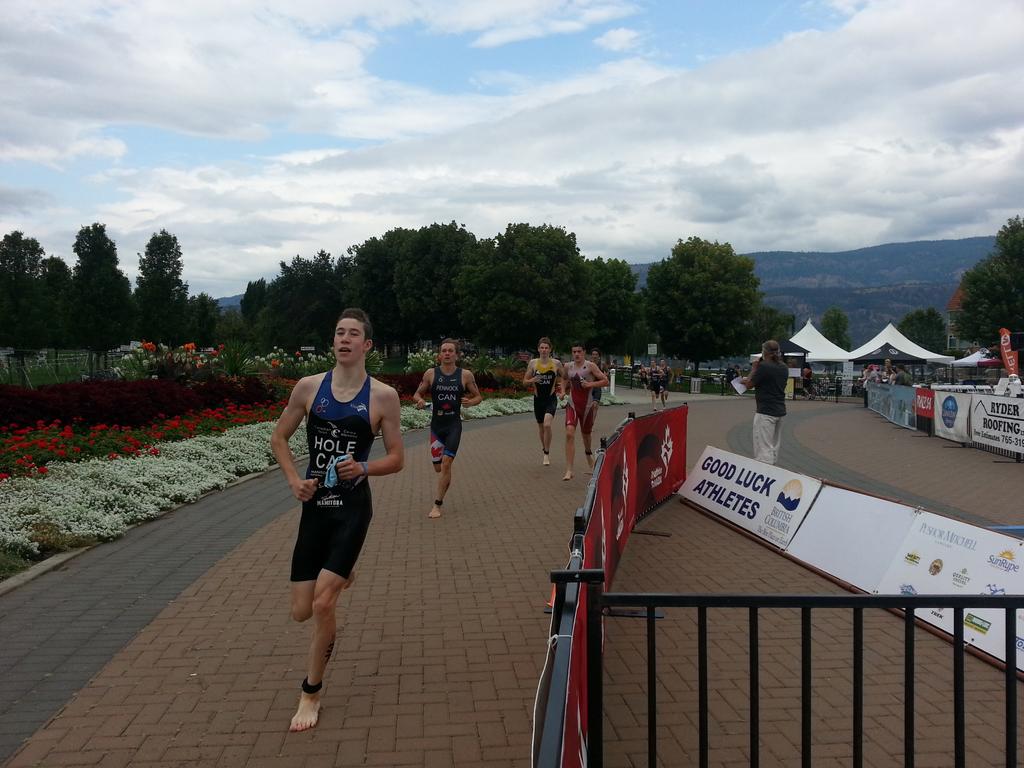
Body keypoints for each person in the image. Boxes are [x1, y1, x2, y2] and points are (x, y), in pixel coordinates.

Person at [270, 308, 404, 733]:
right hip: (315, 508)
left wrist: (364, 467)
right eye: (339, 333)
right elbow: (279, 437)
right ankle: (343, 574)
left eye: (353, 334)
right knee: (300, 611)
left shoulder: (383, 396)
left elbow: (397, 458)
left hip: (352, 508)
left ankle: (310, 691)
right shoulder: (309, 388)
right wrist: (294, 480)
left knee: (323, 604)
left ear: (367, 345)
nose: (344, 339)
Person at [413, 338, 483, 519]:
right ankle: (446, 477)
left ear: (456, 355)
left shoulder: (465, 375)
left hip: (453, 425)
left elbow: (478, 397)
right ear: (439, 355)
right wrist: (420, 401)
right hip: (436, 426)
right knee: (439, 468)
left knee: (446, 463)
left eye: (450, 351)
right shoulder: (431, 374)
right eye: (444, 350)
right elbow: (417, 394)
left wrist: (470, 402)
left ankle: (437, 504)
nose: (447, 353)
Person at [562, 342, 608, 481]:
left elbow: (605, 381)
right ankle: (569, 470)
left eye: (579, 351)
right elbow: (564, 379)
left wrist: (590, 384)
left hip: (587, 407)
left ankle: (588, 453)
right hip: (573, 405)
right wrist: (563, 391)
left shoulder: (590, 366)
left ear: (584, 352)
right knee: (569, 433)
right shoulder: (568, 366)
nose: (576, 354)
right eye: (574, 352)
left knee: (586, 435)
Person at [741, 340, 788, 465]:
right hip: (779, 410)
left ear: (764, 352)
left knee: (763, 448)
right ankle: (772, 468)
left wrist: (754, 369)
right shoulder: (784, 367)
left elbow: (749, 385)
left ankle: (764, 470)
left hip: (765, 411)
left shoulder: (764, 367)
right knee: (773, 446)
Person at [523, 337, 565, 465]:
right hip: (538, 399)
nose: (544, 350)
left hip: (550, 398)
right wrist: (532, 380)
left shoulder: (556, 363)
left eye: (546, 348)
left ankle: (546, 453)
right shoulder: (533, 363)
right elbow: (525, 382)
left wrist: (562, 391)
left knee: (547, 425)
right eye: (542, 348)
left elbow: (564, 377)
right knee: (541, 427)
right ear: (538, 349)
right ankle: (545, 449)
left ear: (550, 349)